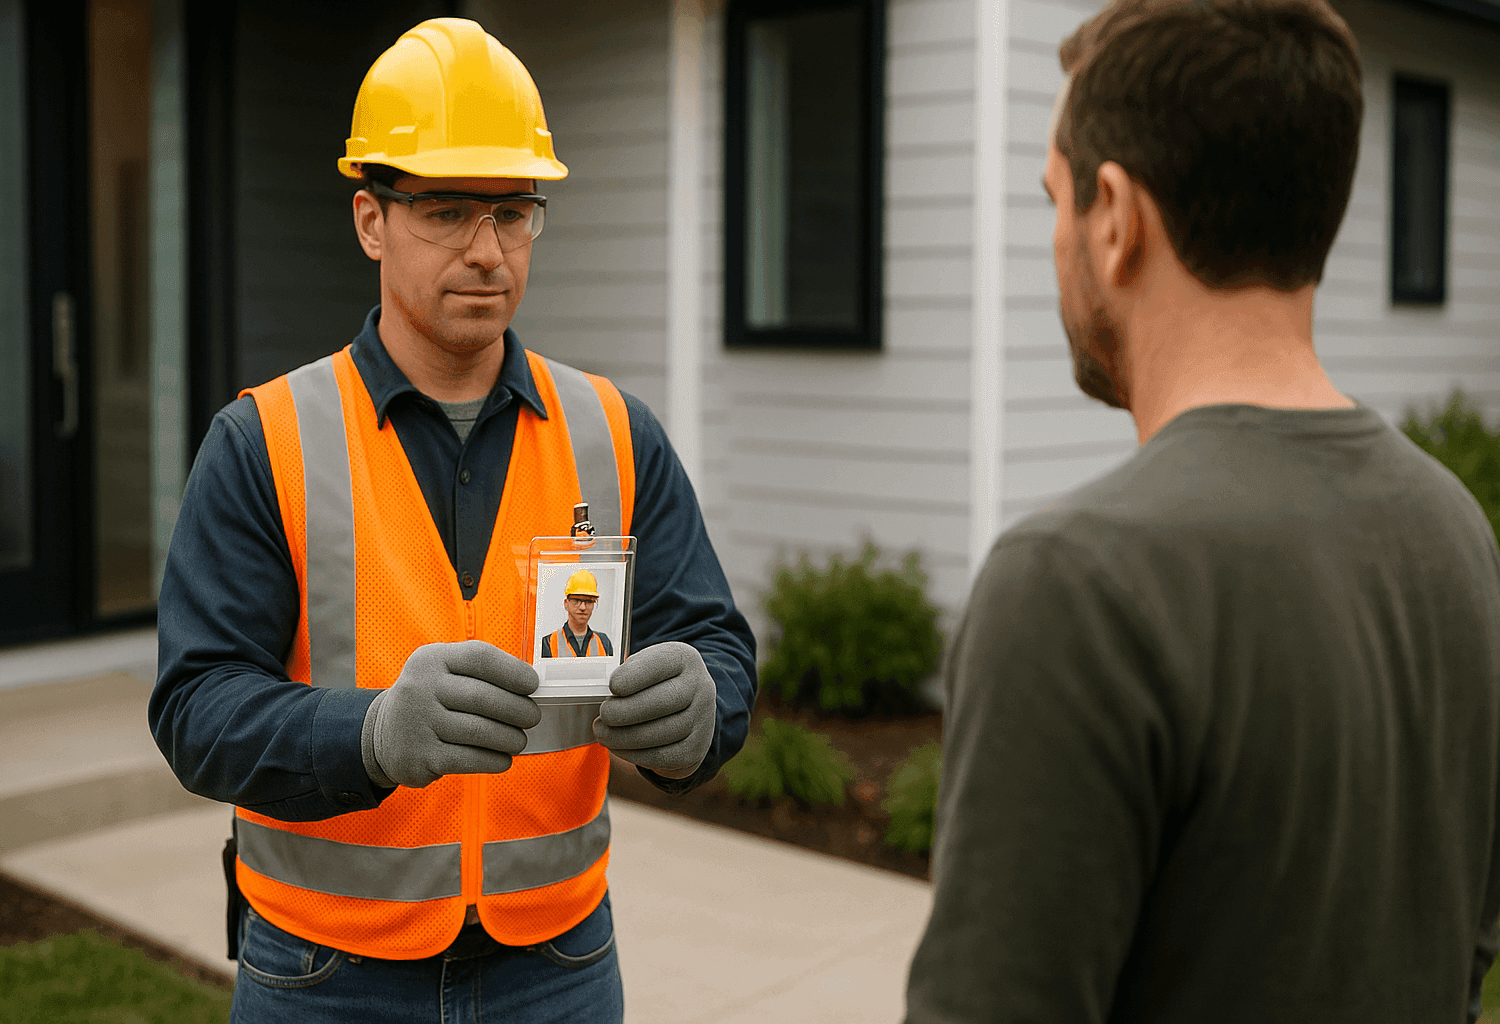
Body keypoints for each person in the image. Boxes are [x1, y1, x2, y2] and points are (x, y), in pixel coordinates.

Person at [150, 18, 756, 1024]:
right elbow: (196, 710)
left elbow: (715, 643)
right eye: (444, 210)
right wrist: (371, 732)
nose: (486, 251)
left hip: (558, 968)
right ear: (369, 221)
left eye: (513, 212)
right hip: (325, 975)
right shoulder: (265, 442)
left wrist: (704, 707)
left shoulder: (615, 434)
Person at [904, 1, 1500, 1022]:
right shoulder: (1453, 530)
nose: (1053, 237)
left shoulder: (1073, 582)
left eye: (1054, 197)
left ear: (1117, 219)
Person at [541, 570, 613, 658]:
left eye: (589, 601)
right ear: (566, 603)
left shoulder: (604, 642)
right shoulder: (549, 642)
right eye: (576, 600)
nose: (583, 607)